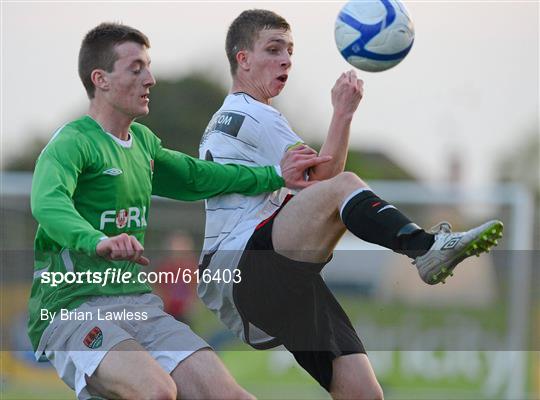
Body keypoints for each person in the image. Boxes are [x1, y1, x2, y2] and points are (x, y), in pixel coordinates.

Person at [198, 9, 504, 399]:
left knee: (363, 392)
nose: (286, 59)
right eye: (273, 49)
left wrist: (343, 116)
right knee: (345, 187)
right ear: (242, 59)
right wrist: (341, 113)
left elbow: (320, 189)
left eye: (290, 50)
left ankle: (425, 250)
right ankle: (424, 248)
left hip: (251, 272)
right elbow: (327, 185)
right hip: (246, 260)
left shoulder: (228, 118)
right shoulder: (255, 115)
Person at [29, 22, 330, 400]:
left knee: (234, 397)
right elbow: (48, 204)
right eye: (136, 68)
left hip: (138, 304)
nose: (150, 78)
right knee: (157, 392)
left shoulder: (142, 143)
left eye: (149, 66)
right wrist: (96, 240)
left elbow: (196, 177)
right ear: (101, 79)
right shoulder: (72, 143)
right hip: (71, 308)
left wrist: (274, 174)